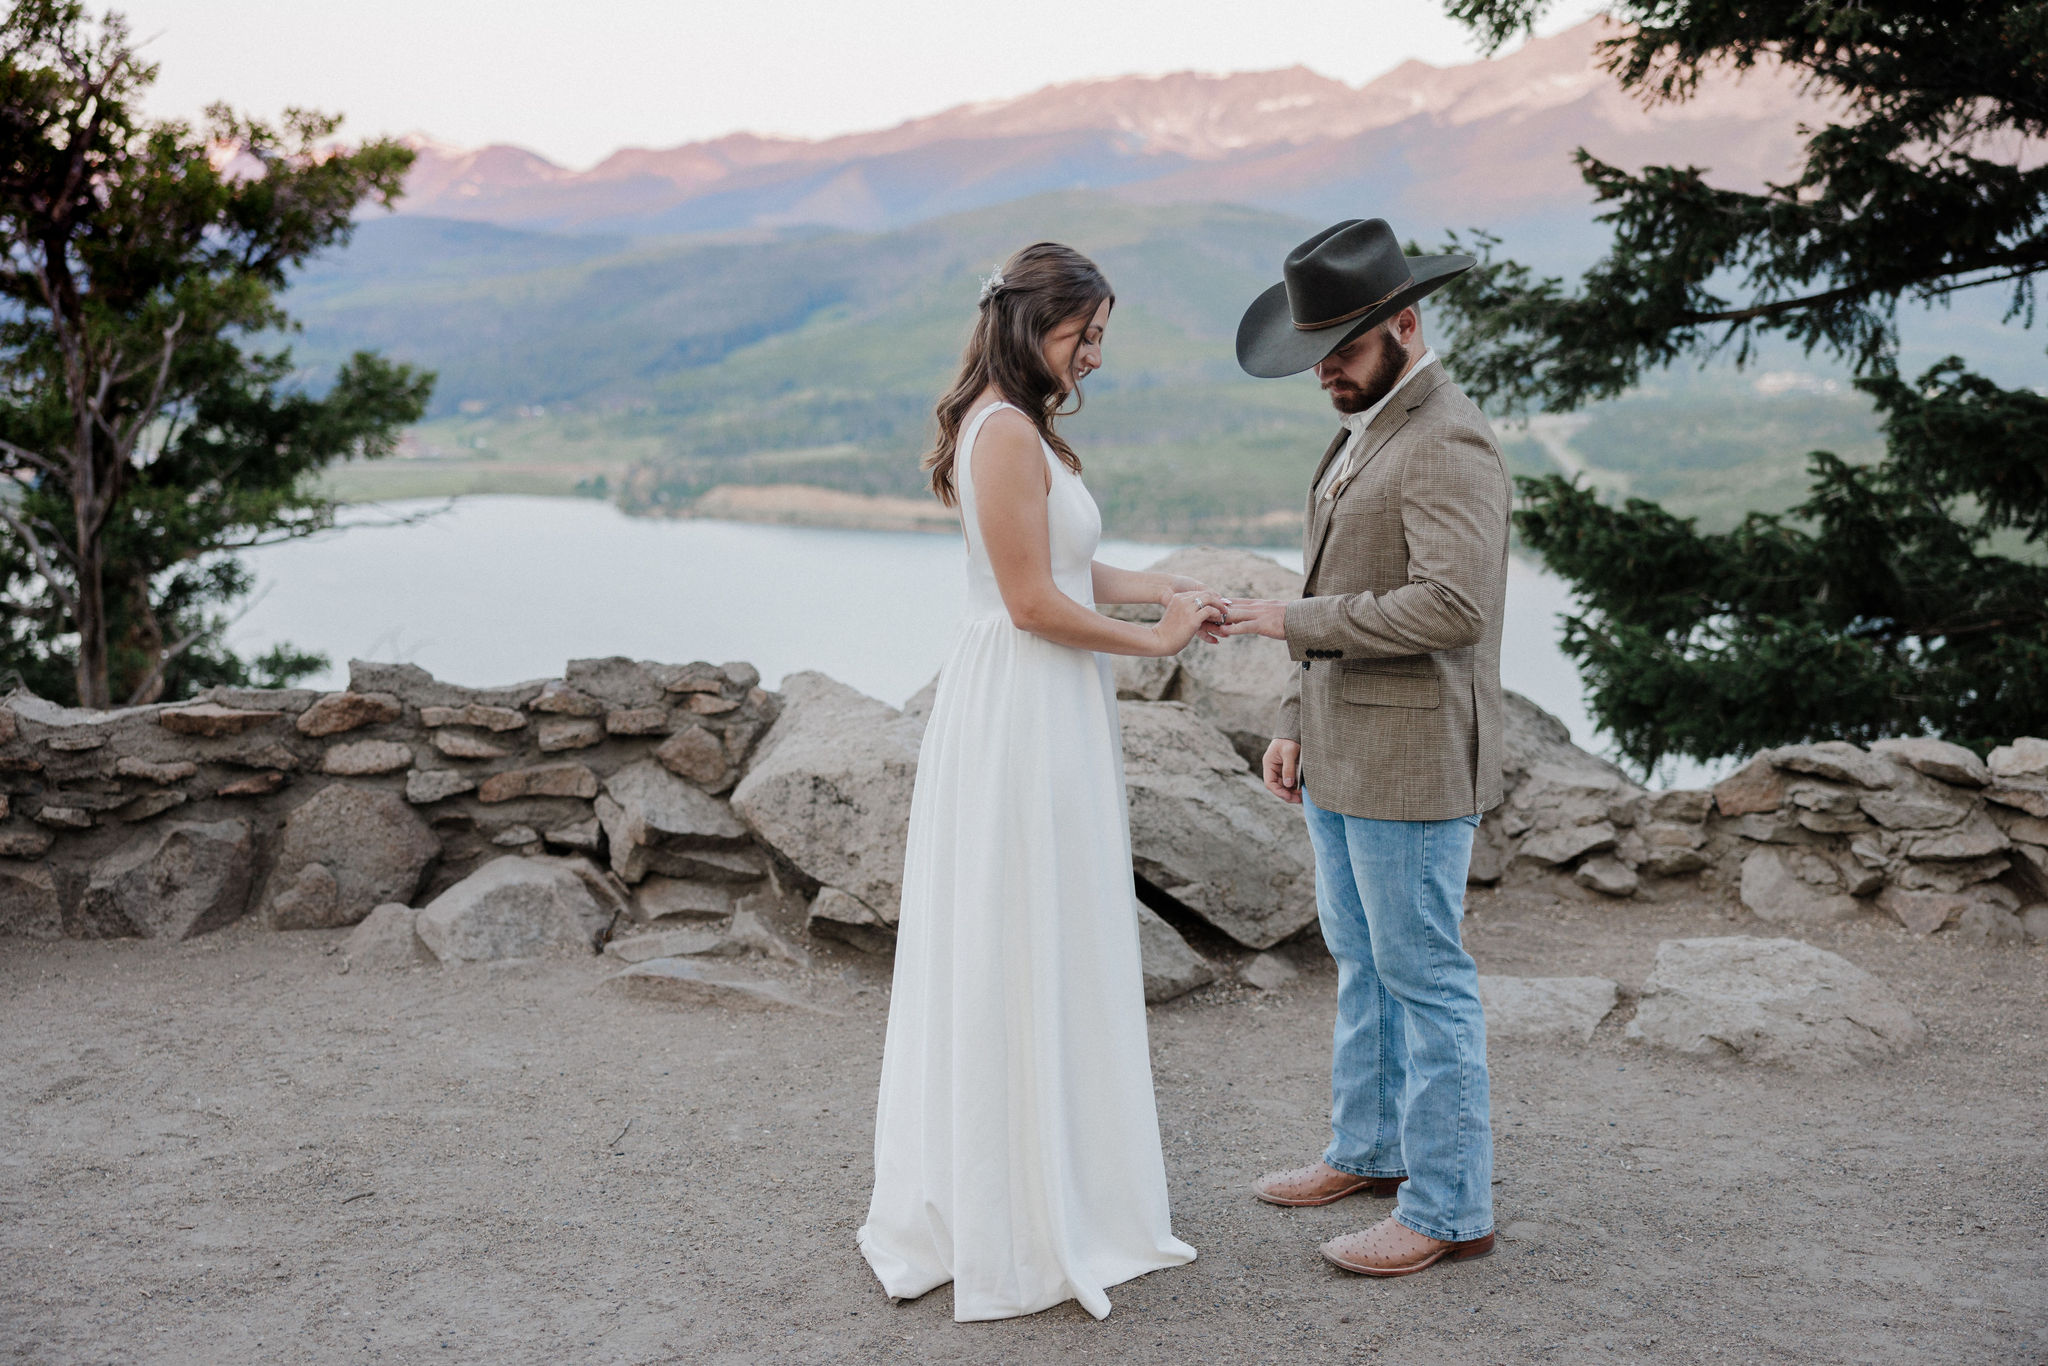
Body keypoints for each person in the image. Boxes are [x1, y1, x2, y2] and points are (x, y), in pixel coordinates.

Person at [859, 241, 1210, 1321]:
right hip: (1022, 700)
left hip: (1041, 701)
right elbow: (1029, 602)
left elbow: (1063, 565)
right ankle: (1016, 1208)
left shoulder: (1021, 431)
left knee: (1043, 930)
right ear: (1028, 326)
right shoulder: (1003, 430)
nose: (1094, 354)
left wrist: (1163, 586)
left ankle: (1045, 1183)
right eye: (1082, 333)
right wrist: (1152, 647)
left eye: (1099, 335)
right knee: (1018, 931)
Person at [1218, 218, 1510, 1278]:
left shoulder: (1446, 438)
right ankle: (1369, 1150)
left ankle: (1447, 1206)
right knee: (1362, 966)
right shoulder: (1365, 424)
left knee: (1423, 977)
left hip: (1415, 760)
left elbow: (1449, 607)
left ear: (1404, 322)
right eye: (1311, 354)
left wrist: (1280, 626)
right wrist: (1295, 716)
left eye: (1338, 349)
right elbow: (1335, 579)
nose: (1322, 372)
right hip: (1342, 751)